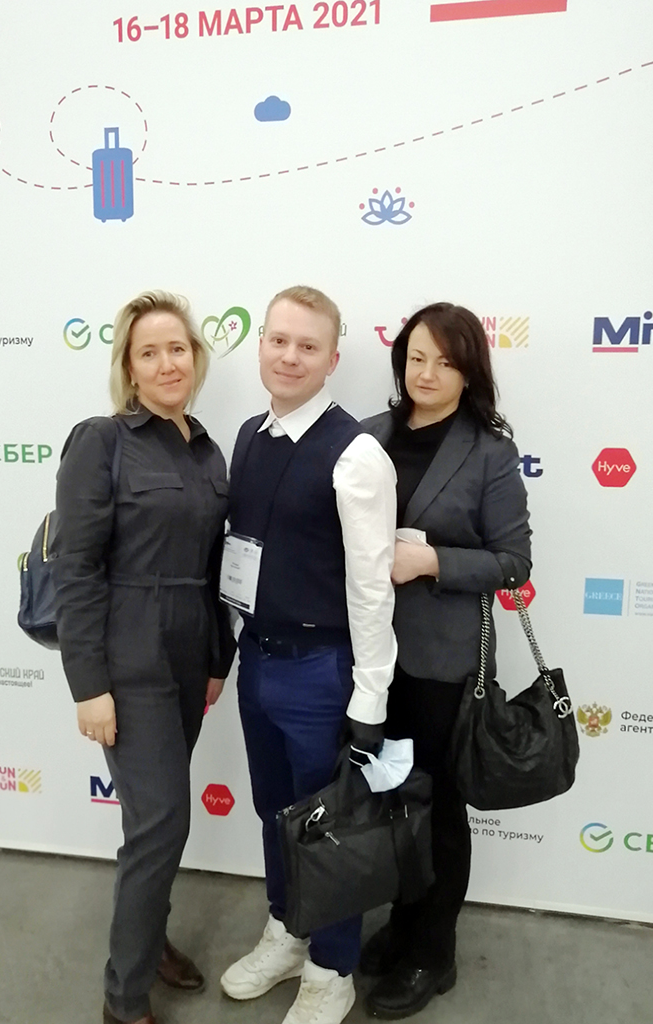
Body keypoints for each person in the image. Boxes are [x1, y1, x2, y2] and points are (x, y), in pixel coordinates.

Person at [52, 290, 236, 1024]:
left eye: (177, 349)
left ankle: (149, 940)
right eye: (149, 353)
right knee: (161, 822)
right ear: (129, 369)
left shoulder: (208, 449)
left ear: (197, 357)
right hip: (129, 653)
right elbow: (75, 568)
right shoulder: (102, 441)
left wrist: (218, 657)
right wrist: (88, 684)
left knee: (154, 824)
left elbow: (218, 567)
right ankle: (124, 999)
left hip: (190, 650)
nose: (167, 364)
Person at [219, 286, 398, 1024]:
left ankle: (332, 967)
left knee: (330, 831)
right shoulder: (249, 435)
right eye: (278, 340)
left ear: (332, 358)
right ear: (261, 343)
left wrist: (370, 696)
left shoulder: (356, 453)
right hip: (258, 660)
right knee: (274, 813)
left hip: (323, 671)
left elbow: (372, 585)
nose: (290, 356)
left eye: (308, 346)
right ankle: (288, 931)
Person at [360, 302, 532, 1019]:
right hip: (367, 656)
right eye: (416, 358)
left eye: (445, 361)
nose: (426, 374)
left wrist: (432, 561)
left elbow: (513, 561)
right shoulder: (367, 436)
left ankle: (435, 950)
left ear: (469, 372)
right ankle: (403, 923)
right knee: (392, 799)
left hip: (440, 662)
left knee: (437, 808)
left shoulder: (489, 452)